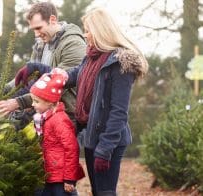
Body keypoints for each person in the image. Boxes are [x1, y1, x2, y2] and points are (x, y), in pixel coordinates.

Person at [15, 7, 149, 196]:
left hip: (108, 139)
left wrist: (105, 148)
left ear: (101, 31)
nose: (85, 35)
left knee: (105, 192)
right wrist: (36, 67)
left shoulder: (119, 64)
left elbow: (119, 112)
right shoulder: (91, 58)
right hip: (91, 135)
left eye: (88, 30)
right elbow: (69, 76)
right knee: (97, 191)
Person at [0, 1, 86, 128]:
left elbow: (56, 84)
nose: (36, 34)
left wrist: (19, 102)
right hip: (41, 115)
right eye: (33, 29)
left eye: (39, 28)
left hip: (66, 117)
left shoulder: (73, 44)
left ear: (52, 19)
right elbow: (29, 80)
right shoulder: (40, 44)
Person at [30, 70, 85, 196]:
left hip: (61, 178)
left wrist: (69, 179)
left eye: (36, 101)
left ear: (49, 102)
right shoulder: (44, 118)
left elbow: (72, 148)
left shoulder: (59, 120)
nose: (33, 104)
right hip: (49, 174)